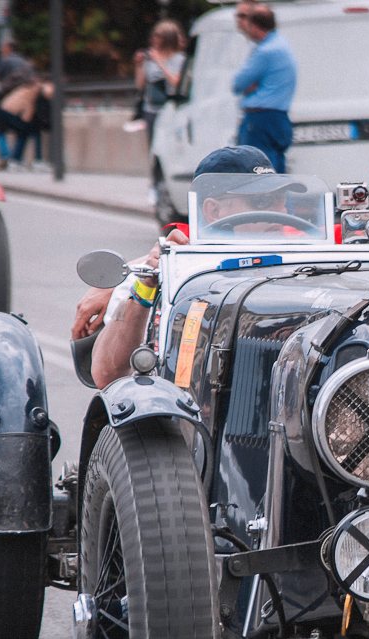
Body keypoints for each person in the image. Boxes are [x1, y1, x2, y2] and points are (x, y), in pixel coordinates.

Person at [73, 146, 297, 387]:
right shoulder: (156, 268)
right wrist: (147, 285)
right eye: (263, 201)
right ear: (214, 210)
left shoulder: (305, 261)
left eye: (281, 201)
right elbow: (106, 374)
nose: (280, 213)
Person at [232, 3, 297, 173]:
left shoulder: (264, 51)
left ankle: (264, 200)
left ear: (254, 26)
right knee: (277, 171)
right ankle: (281, 200)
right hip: (280, 117)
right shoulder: (281, 44)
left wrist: (253, 85)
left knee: (257, 171)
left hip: (260, 119)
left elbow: (238, 83)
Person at [135, 21, 186, 207]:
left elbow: (177, 83)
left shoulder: (179, 59)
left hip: (171, 110)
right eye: (154, 36)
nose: (154, 40)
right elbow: (141, 86)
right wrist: (139, 66)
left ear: (167, 39)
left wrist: (160, 62)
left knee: (171, 149)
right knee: (153, 150)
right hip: (152, 110)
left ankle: (169, 186)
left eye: (158, 37)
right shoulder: (150, 59)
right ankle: (153, 186)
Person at [0, 39, 35, 167]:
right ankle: (16, 158)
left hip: (5, 99)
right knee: (21, 129)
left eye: (3, 48)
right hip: (22, 99)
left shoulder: (5, 61)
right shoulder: (25, 62)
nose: (1, 50)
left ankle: (5, 156)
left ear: (9, 48)